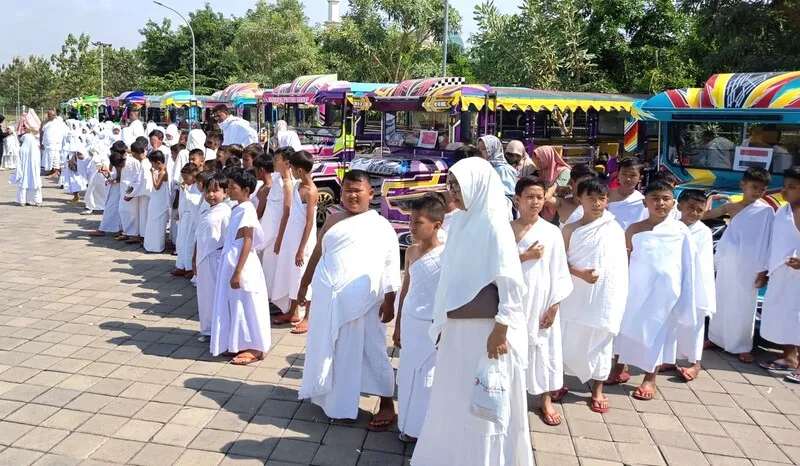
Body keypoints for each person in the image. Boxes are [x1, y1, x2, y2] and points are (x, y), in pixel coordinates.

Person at [412, 158, 533, 466]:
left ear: (477, 186)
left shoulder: (493, 225)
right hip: (458, 328)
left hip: (485, 331)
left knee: (482, 403)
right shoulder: (462, 222)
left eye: (458, 186)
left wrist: (501, 329)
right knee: (453, 396)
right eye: (450, 185)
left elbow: (510, 283)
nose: (453, 192)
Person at [298, 170, 400, 429]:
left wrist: (390, 301)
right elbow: (319, 252)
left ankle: (387, 403)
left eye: (358, 191)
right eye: (347, 191)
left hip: (365, 303)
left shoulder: (380, 225)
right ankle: (337, 401)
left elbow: (390, 264)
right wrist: (304, 284)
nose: (352, 196)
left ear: (370, 193)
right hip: (328, 303)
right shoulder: (333, 220)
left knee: (373, 352)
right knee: (335, 350)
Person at [615, 180, 700, 400]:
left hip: (664, 294)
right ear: (645, 202)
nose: (660, 203)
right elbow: (625, 259)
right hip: (635, 290)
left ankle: (649, 377)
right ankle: (618, 368)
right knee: (626, 328)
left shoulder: (680, 231)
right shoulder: (634, 229)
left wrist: (685, 295)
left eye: (665, 199)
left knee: (656, 334)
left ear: (673, 203)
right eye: (654, 198)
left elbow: (688, 265)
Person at [560, 178, 628, 412]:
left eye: (601, 198)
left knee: (601, 341)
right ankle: (558, 382)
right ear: (580, 200)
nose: (597, 203)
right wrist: (579, 273)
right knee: (567, 337)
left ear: (608, 200)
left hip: (604, 298)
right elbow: (557, 264)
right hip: (575, 295)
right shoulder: (570, 229)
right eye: (591, 198)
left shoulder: (614, 229)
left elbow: (619, 268)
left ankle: (598, 389)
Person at [511, 176, 573, 425]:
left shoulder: (552, 232)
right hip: (513, 302)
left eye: (539, 197)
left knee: (544, 350)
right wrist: (524, 256)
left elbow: (560, 271)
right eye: (529, 197)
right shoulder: (506, 229)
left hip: (542, 302)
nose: (535, 202)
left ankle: (545, 399)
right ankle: (511, 399)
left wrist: (555, 305)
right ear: (518, 200)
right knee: (512, 349)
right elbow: (495, 267)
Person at [706, 167, 774, 363]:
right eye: (753, 187)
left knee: (744, 306)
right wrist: (712, 198)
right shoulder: (731, 207)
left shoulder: (766, 211)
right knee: (722, 300)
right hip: (728, 262)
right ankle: (716, 338)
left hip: (750, 266)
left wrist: (764, 270)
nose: (756, 192)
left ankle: (742, 346)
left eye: (761, 189)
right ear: (742, 184)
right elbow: (705, 215)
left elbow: (766, 241)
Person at [393, 195, 445, 443]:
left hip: (433, 326)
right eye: (410, 221)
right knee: (407, 375)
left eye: (418, 222)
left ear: (436, 225)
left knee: (428, 380)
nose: (411, 227)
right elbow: (407, 288)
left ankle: (426, 431)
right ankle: (407, 424)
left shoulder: (448, 255)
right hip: (412, 322)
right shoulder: (412, 251)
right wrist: (398, 324)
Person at [210, 168, 271, 365]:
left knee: (247, 303)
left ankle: (255, 347)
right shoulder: (238, 207)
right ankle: (238, 342)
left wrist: (238, 271)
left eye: (233, 187)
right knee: (234, 303)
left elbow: (247, 241)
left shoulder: (247, 210)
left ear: (246, 190)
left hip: (242, 263)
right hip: (232, 258)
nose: (229, 190)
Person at [671, 189, 716, 382]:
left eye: (700, 210)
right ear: (679, 206)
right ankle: (671, 358)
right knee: (672, 323)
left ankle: (695, 363)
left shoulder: (703, 232)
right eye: (690, 208)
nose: (695, 213)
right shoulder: (671, 227)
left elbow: (703, 263)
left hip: (695, 285)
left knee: (695, 325)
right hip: (674, 283)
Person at [759, 167, 800, 379]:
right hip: (781, 271)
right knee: (786, 317)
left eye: (791, 187)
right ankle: (790, 357)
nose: (785, 191)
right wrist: (766, 269)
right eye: (784, 186)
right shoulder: (783, 210)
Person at [271, 150, 318, 333]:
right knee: (292, 273)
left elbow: (309, 222)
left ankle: (307, 316)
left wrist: (301, 249)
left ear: (299, 170)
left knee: (303, 275)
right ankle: (292, 311)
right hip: (292, 236)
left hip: (303, 240)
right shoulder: (297, 184)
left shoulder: (311, 191)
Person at [194, 172, 232, 343]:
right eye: (207, 191)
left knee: (215, 296)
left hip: (215, 258)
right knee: (205, 296)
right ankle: (208, 329)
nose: (210, 195)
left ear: (225, 192)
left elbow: (228, 239)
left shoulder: (225, 212)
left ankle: (219, 331)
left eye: (215, 191)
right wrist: (195, 257)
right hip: (203, 258)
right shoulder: (207, 210)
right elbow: (199, 236)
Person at [261, 149, 296, 308]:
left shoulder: (288, 184)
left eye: (277, 159)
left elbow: (286, 213)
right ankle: (269, 299)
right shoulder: (276, 178)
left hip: (276, 235)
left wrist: (280, 239)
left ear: (287, 163)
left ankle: (279, 303)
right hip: (267, 232)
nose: (274, 161)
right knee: (267, 268)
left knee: (275, 270)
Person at [544, 164, 599, 228]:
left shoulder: (597, 204)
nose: (586, 187)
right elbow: (545, 198)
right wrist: (557, 188)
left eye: (590, 184)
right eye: (583, 183)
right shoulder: (563, 203)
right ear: (571, 182)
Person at [173, 163, 202, 278]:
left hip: (192, 218)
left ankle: (190, 267)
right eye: (183, 178)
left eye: (186, 178)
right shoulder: (187, 186)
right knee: (182, 242)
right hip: (184, 216)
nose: (184, 180)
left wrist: (187, 193)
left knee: (189, 242)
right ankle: (182, 265)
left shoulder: (198, 187)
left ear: (193, 175)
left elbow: (196, 202)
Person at [11, 109, 43, 207]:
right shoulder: (33, 144)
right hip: (33, 169)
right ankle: (36, 200)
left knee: (25, 181)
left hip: (25, 170)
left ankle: (23, 200)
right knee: (34, 180)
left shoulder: (24, 146)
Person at [89, 151, 125, 238]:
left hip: (119, 191)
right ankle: (115, 229)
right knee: (112, 209)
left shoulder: (122, 165)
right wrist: (107, 174)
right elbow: (115, 177)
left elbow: (119, 178)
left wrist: (109, 175)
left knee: (112, 209)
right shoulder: (119, 165)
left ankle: (105, 230)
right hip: (115, 190)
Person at [608, 157, 647, 231]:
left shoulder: (643, 201)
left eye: (632, 175)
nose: (628, 179)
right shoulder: (607, 197)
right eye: (624, 174)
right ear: (618, 175)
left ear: (640, 178)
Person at [533, 145, 571, 221]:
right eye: (537, 159)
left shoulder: (564, 171)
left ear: (547, 157)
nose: (538, 162)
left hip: (558, 210)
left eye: (540, 159)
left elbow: (558, 190)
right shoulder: (542, 172)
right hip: (542, 208)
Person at [127, 136, 153, 246]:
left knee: (145, 216)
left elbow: (143, 183)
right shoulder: (144, 162)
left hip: (146, 194)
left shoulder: (145, 164)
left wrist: (131, 194)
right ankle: (142, 236)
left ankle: (145, 237)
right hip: (143, 194)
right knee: (143, 216)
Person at [118, 139, 144, 241]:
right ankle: (126, 231)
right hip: (123, 187)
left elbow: (137, 178)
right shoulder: (126, 159)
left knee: (132, 212)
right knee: (123, 210)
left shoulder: (136, 162)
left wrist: (131, 193)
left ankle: (133, 233)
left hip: (131, 188)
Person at [143, 151, 170, 253]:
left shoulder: (163, 172)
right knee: (152, 222)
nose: (152, 166)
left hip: (160, 200)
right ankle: (151, 244)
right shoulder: (162, 171)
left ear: (158, 162)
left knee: (157, 223)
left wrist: (152, 174)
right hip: (156, 199)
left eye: (153, 163)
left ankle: (157, 246)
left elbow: (157, 186)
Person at [478, 135, 517, 202]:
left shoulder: (502, 170)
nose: (480, 152)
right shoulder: (483, 167)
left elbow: (509, 195)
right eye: (479, 149)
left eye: (484, 149)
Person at [82, 136, 111, 215]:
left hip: (99, 177)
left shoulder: (98, 158)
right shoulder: (103, 157)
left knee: (95, 192)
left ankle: (95, 207)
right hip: (98, 178)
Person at [40, 110, 68, 177]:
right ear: (48, 115)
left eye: (54, 115)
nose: (53, 116)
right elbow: (42, 131)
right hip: (48, 144)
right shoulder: (46, 123)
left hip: (56, 144)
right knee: (49, 157)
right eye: (51, 115)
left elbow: (65, 131)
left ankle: (56, 172)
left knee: (56, 158)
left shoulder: (59, 123)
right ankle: (52, 170)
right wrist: (41, 141)